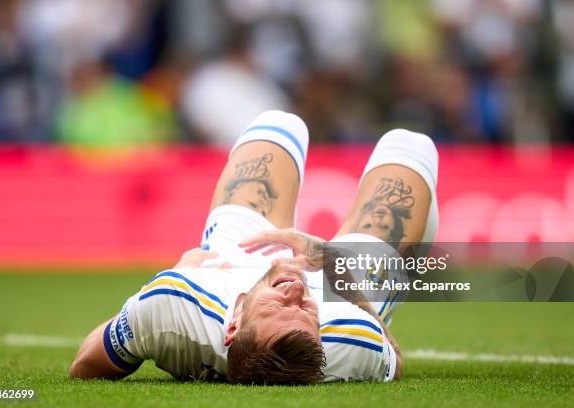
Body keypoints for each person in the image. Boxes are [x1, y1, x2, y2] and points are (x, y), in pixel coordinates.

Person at [69, 110, 439, 384]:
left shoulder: (172, 305)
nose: (296, 291)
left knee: (279, 123)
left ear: (232, 326)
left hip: (221, 267)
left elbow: (85, 364)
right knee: (409, 145)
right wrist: (330, 263)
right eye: (305, 311)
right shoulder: (349, 340)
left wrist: (166, 282)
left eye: (280, 304)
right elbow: (393, 357)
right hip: (341, 294)